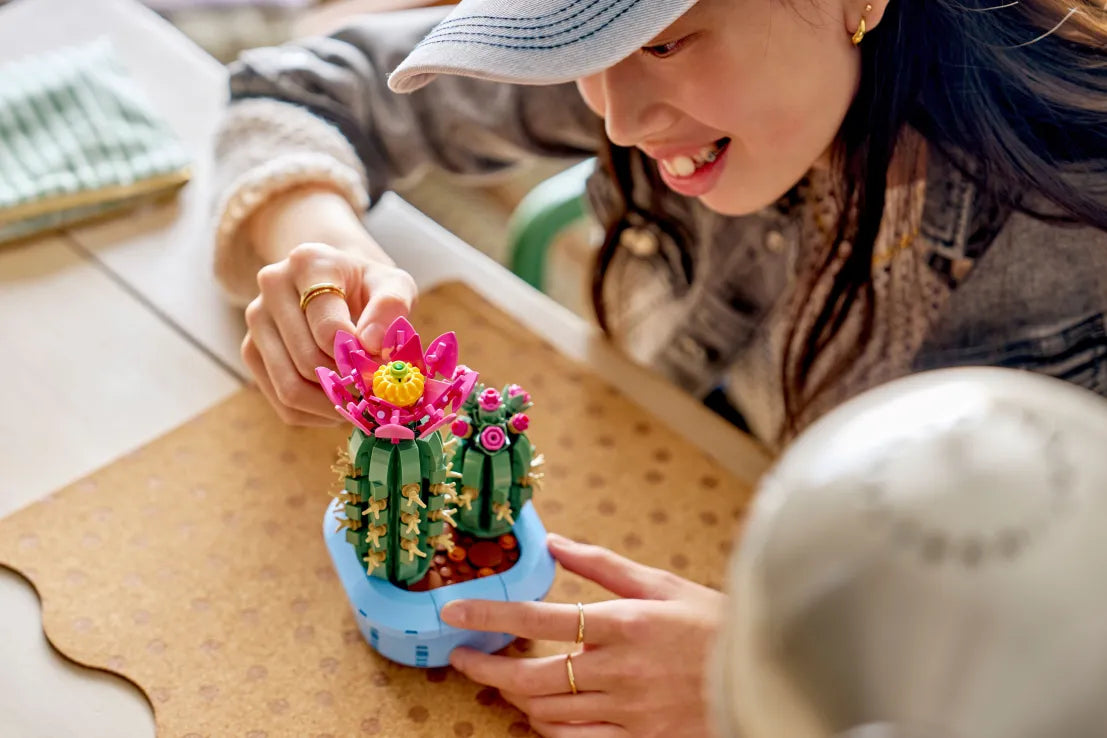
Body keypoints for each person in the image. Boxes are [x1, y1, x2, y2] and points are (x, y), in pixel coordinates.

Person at [210, 0, 1107, 734]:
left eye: (666, 40)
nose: (616, 115)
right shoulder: (639, 75)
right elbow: (290, 89)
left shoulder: (1078, 214)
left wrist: (763, 680)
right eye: (574, 40)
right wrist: (319, 246)